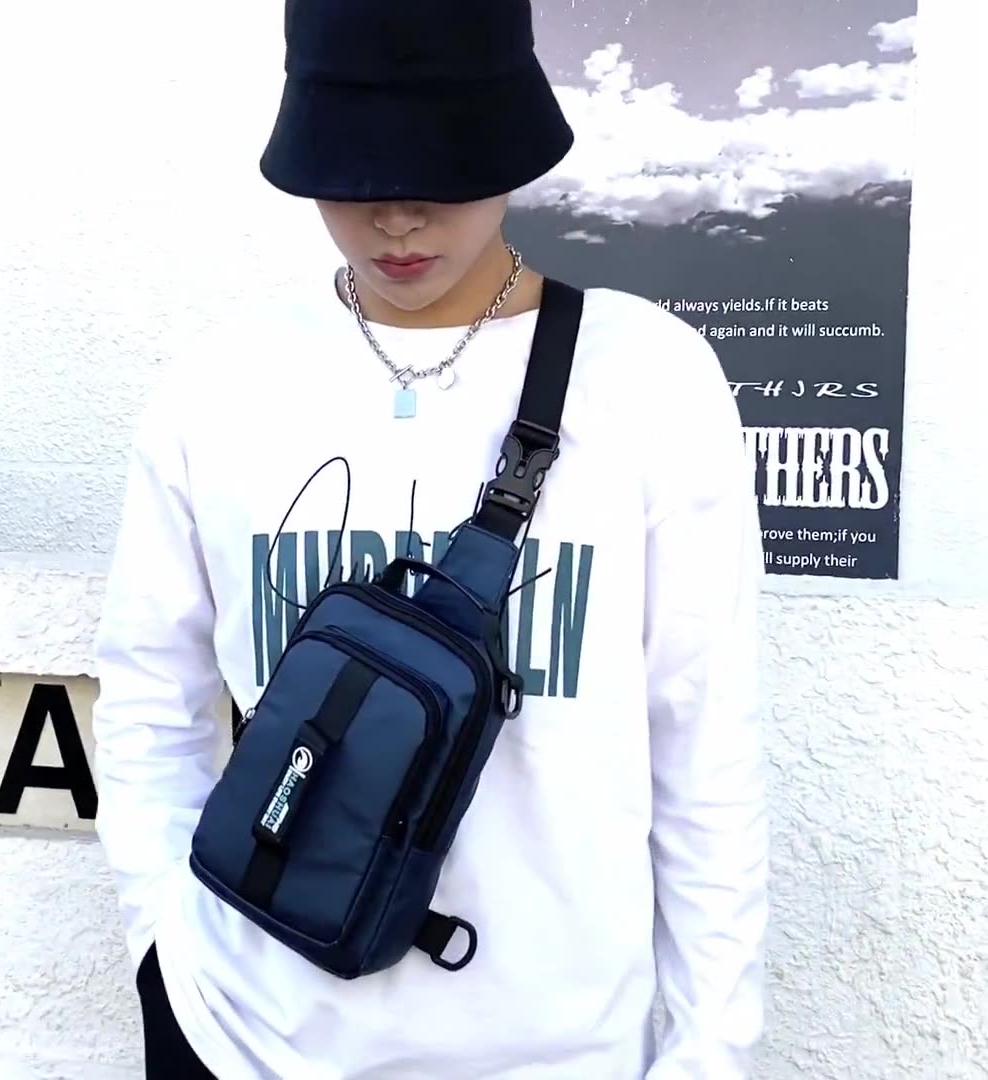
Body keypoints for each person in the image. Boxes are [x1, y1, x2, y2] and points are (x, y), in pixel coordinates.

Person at [91, 0, 769, 1077]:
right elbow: (147, 699)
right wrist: (166, 956)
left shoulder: (650, 379)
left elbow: (704, 741)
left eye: (440, 170)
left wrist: (709, 1049)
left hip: (560, 1053)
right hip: (247, 1037)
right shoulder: (218, 384)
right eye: (353, 174)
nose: (396, 218)